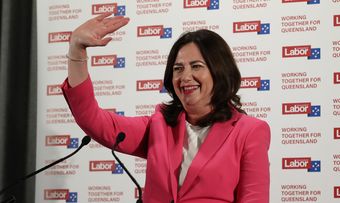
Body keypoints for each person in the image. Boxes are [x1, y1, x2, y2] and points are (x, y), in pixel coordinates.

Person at [62, 13, 271, 203]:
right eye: (178, 69)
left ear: (220, 71)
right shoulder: (159, 125)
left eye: (197, 66)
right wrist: (76, 50)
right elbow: (92, 119)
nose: (185, 77)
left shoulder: (249, 131)